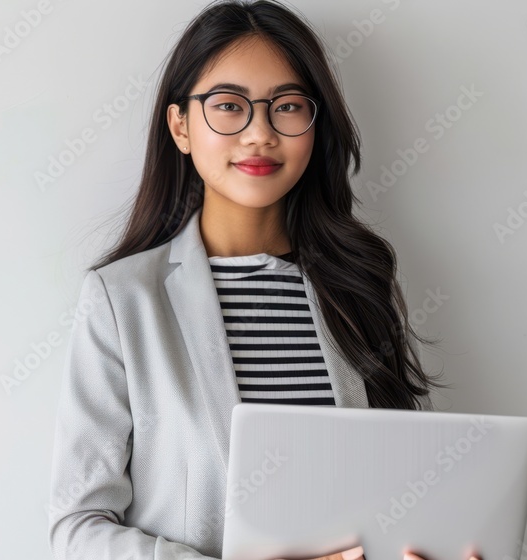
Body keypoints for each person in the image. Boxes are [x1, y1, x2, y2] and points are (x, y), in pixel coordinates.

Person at [47, 1, 480, 559]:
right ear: (180, 125)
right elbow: (77, 527)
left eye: (287, 106)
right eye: (229, 106)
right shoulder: (122, 299)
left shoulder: (358, 284)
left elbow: (395, 495)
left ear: (314, 126)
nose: (259, 134)